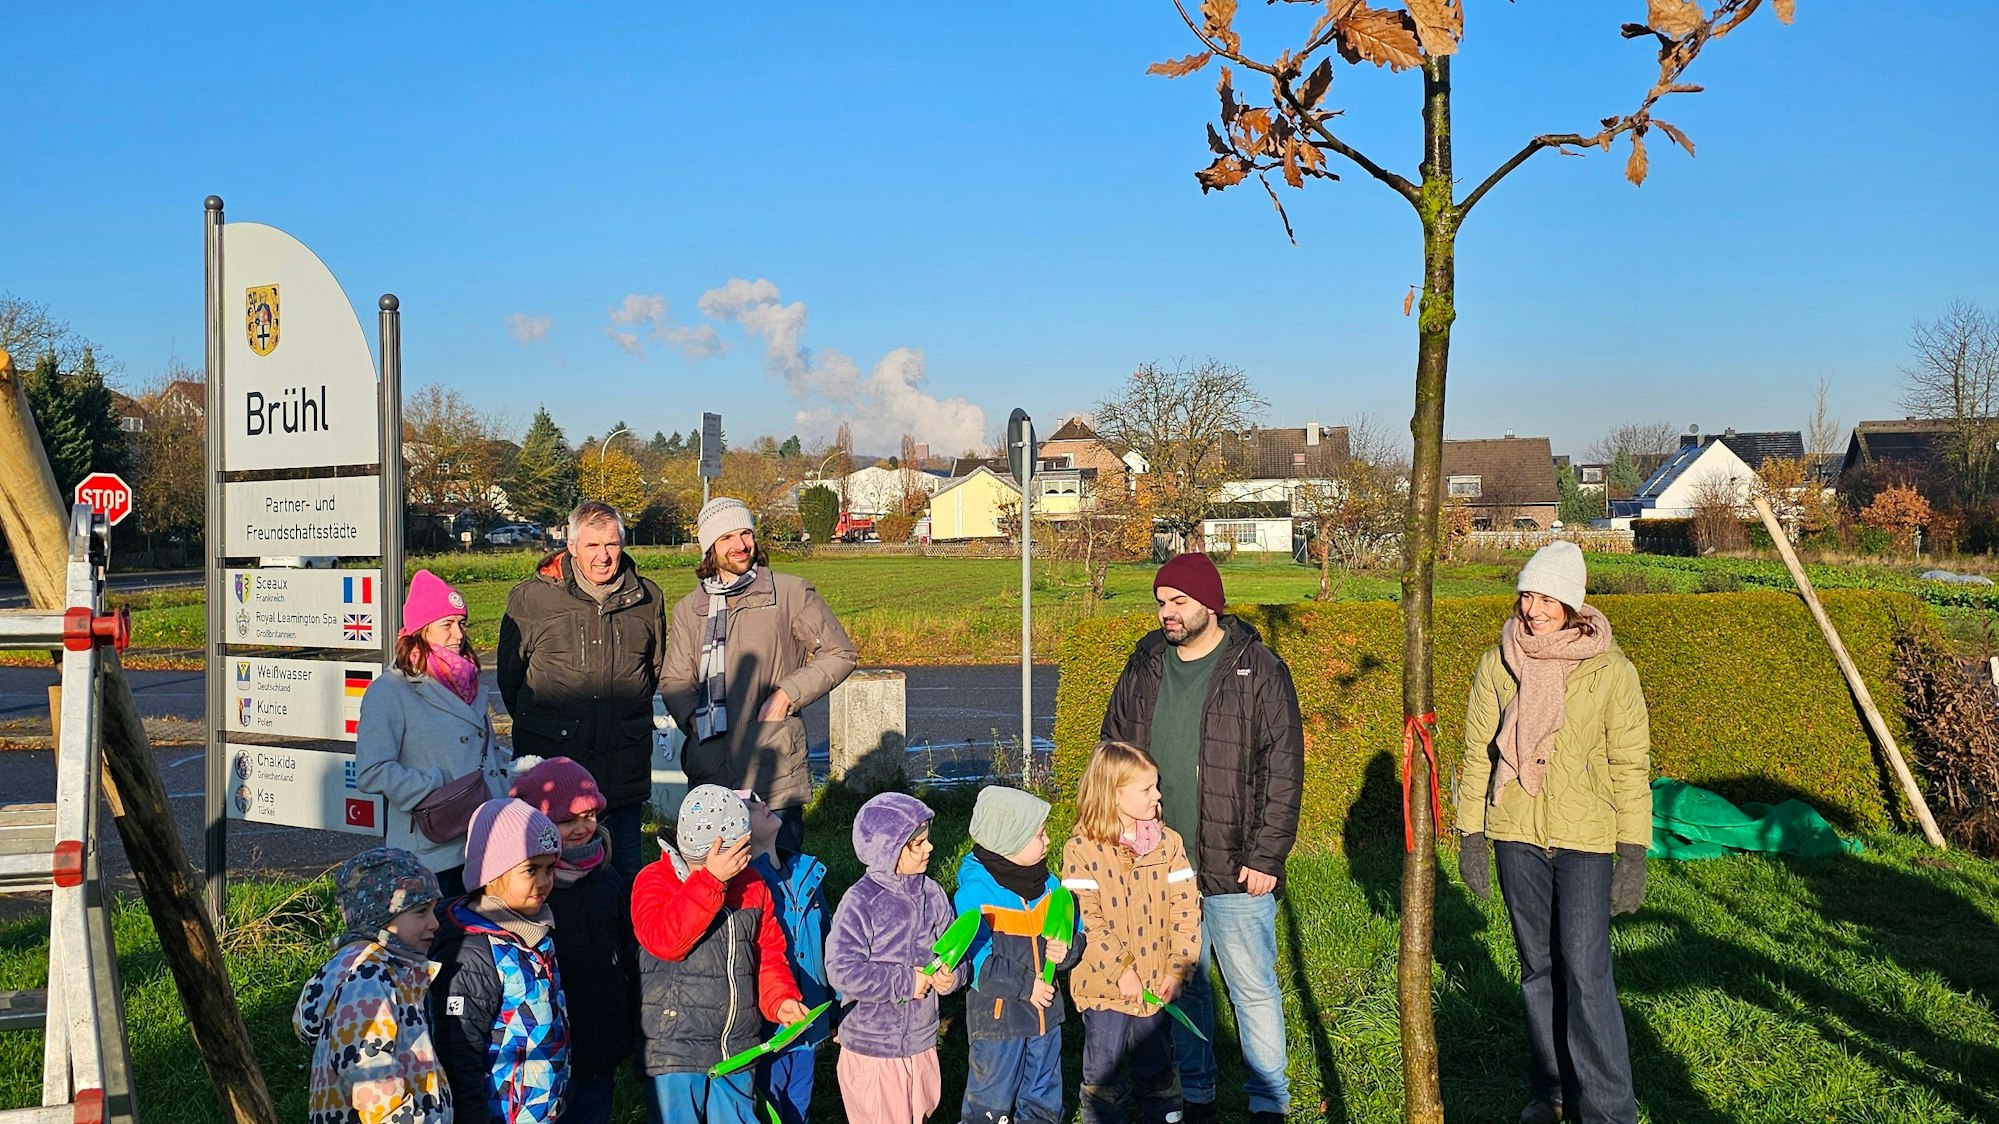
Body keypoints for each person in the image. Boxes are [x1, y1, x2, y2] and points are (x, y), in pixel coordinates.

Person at [1098, 551, 1304, 1123]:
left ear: (1209, 603)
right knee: (1185, 990)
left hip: (1237, 864)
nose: (1167, 612)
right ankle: (1197, 1099)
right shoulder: (1143, 665)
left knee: (1252, 988)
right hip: (1159, 867)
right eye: (1161, 602)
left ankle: (1269, 1104)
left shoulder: (1258, 667)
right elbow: (1111, 752)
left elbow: (1284, 768)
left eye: (1178, 602)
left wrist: (1267, 854)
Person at [1456, 540, 1652, 1124]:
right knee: (1537, 967)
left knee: (1586, 971)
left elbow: (1630, 762)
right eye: (1527, 595)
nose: (1532, 609)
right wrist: (1471, 834)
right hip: (1517, 829)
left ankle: (1609, 1109)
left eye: (1546, 597)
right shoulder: (1498, 661)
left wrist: (1633, 851)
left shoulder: (1611, 669)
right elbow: (1476, 753)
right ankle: (1553, 1092)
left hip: (1584, 838)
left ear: (1571, 603)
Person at [661, 497, 856, 853]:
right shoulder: (690, 609)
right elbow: (675, 681)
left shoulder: (790, 593)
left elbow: (840, 653)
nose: (740, 545)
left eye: (746, 533)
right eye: (726, 538)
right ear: (709, 549)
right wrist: (693, 719)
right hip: (712, 766)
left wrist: (786, 696)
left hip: (773, 762)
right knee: (720, 882)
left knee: (782, 875)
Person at [498, 500, 670, 876]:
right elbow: (510, 680)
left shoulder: (648, 597)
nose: (603, 556)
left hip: (620, 767)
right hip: (553, 773)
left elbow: (651, 669)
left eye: (611, 544)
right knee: (549, 879)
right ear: (571, 546)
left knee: (622, 875)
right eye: (592, 545)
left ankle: (620, 936)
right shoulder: (531, 598)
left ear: (623, 544)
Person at [632, 785, 811, 1124]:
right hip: (675, 1051)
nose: (744, 859)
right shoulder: (654, 881)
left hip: (736, 1046)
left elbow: (768, 953)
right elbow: (666, 941)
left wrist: (781, 998)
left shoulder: (753, 886)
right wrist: (711, 882)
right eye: (740, 850)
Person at [1060, 741, 1201, 1124]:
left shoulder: (1169, 844)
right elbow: (1087, 918)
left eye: (1156, 787)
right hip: (1104, 988)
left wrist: (1177, 971)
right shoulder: (1081, 850)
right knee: (1103, 1075)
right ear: (1114, 794)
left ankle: (1166, 1117)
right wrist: (1122, 971)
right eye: (1146, 789)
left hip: (1157, 985)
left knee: (1157, 1069)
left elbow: (1186, 910)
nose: (1157, 795)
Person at [357, 570, 514, 897]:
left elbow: (483, 753)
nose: (458, 634)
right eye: (447, 625)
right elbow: (371, 772)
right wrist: (433, 786)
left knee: (481, 943)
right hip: (432, 849)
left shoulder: (468, 683)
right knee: (443, 944)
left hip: (485, 841)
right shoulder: (391, 690)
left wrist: (512, 779)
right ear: (419, 632)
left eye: (462, 623)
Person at [508, 757, 637, 1124]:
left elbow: (627, 950)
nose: (583, 828)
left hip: (602, 1032)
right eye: (567, 821)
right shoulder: (531, 894)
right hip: (550, 1046)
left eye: (590, 815)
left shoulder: (607, 879)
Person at [430, 797, 571, 1123]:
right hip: (499, 1114)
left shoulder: (535, 929)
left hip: (539, 1110)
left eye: (549, 868)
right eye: (530, 870)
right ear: (490, 874)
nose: (544, 881)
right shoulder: (472, 953)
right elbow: (458, 1052)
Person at [825, 792, 960, 1124]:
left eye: (928, 840)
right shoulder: (861, 900)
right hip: (873, 1048)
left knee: (921, 1112)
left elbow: (957, 948)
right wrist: (906, 981)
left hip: (921, 1040)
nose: (929, 848)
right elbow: (842, 969)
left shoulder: (933, 893)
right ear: (889, 848)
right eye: (918, 843)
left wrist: (952, 974)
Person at [955, 785, 1085, 1124]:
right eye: (1039, 835)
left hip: (1046, 1019)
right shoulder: (976, 895)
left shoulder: (1050, 886)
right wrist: (1027, 986)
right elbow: (978, 959)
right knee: (990, 1103)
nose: (1048, 841)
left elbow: (1073, 929)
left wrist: (1068, 948)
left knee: (1043, 1099)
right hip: (1000, 1022)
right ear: (1007, 842)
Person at [294, 847, 452, 1124]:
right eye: (421, 912)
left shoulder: (380, 971)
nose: (435, 923)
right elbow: (368, 1074)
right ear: (379, 918)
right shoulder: (367, 979)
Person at [742, 790, 832, 1124]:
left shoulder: (805, 873)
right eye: (749, 805)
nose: (760, 801)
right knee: (768, 1110)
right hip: (769, 1031)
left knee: (799, 1109)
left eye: (758, 797)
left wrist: (832, 1008)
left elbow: (827, 941)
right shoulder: (746, 886)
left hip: (808, 1022)